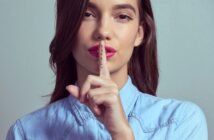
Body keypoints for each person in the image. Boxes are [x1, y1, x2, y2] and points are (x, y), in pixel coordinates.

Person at [6, 0, 208, 139]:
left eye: (122, 16)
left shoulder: (180, 122)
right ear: (68, 26)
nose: (103, 31)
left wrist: (122, 135)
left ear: (140, 33)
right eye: (87, 14)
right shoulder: (26, 132)